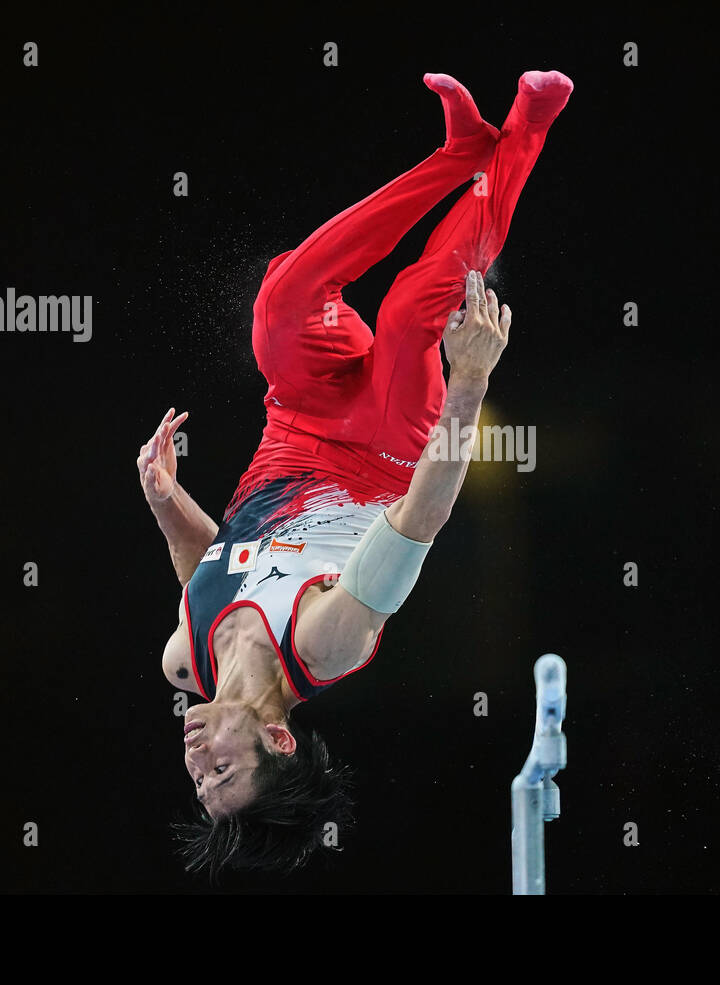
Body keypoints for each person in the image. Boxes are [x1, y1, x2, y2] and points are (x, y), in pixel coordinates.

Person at [135, 70, 573, 876]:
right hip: (390, 446)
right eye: (223, 772)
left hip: (297, 422)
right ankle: (526, 134)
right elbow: (421, 519)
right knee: (412, 313)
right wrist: (470, 382)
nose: (198, 764)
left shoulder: (183, 659)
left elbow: (213, 566)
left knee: (283, 302)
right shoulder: (325, 642)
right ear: (277, 737)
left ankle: (455, 155)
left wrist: (166, 502)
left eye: (199, 783)